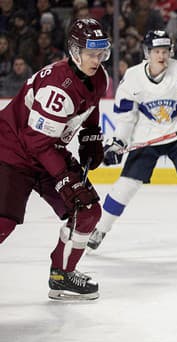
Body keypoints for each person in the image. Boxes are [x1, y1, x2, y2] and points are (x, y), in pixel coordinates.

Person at [87, 30, 177, 251]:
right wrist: (118, 142)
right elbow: (126, 117)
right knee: (125, 186)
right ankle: (100, 229)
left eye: (165, 51)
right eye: (156, 51)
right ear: (147, 53)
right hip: (147, 137)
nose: (161, 56)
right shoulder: (133, 78)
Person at [0, 18, 111, 300]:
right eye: (91, 53)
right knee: (3, 223)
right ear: (74, 51)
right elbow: (37, 142)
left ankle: (62, 275)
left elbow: (90, 106)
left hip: (46, 151)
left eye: (101, 53)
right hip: (12, 151)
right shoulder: (57, 87)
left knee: (86, 211)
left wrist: (91, 135)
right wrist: (63, 180)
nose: (97, 60)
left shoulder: (99, 77)